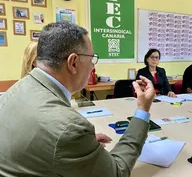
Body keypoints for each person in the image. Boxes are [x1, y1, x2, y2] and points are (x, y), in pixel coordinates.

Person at [0, 21, 155, 176]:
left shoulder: (14, 90)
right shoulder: (69, 129)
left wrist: (77, 147)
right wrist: (142, 110)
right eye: (91, 59)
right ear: (73, 63)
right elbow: (117, 173)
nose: (92, 67)